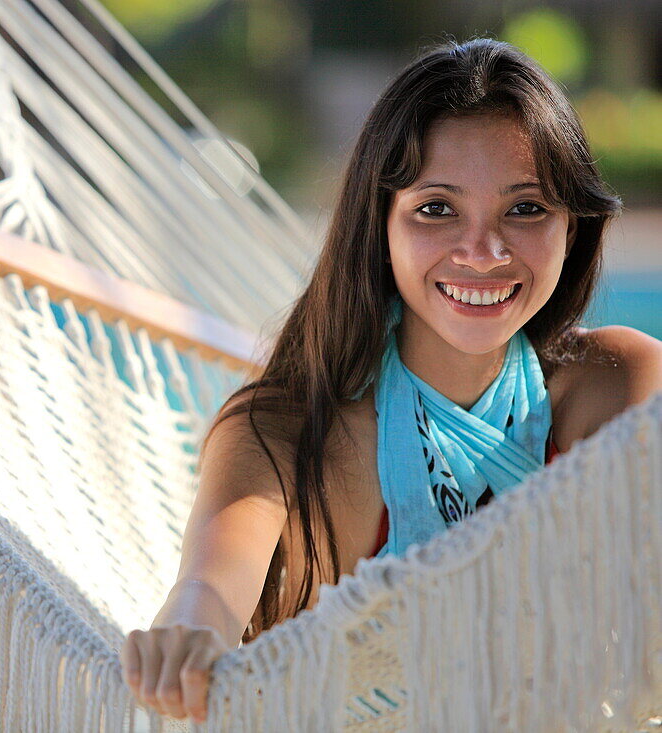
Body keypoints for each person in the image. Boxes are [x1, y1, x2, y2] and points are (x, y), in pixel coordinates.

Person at [120, 37, 662, 725]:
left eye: (525, 209)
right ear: (378, 226)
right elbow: (210, 587)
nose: (483, 253)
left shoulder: (620, 383)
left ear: (571, 226)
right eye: (437, 209)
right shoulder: (290, 427)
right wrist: (189, 632)